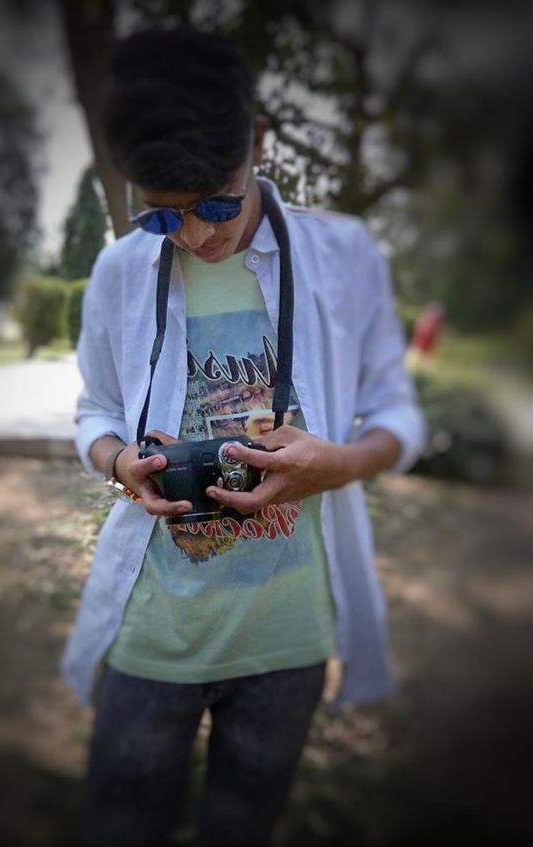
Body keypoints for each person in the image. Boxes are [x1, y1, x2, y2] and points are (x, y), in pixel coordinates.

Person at [61, 25, 426, 847]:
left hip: (287, 643)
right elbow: (94, 410)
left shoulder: (343, 255)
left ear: (258, 143)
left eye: (218, 204)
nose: (198, 235)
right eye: (165, 214)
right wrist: (119, 460)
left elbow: (399, 414)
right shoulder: (119, 270)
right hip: (153, 633)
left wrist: (339, 464)